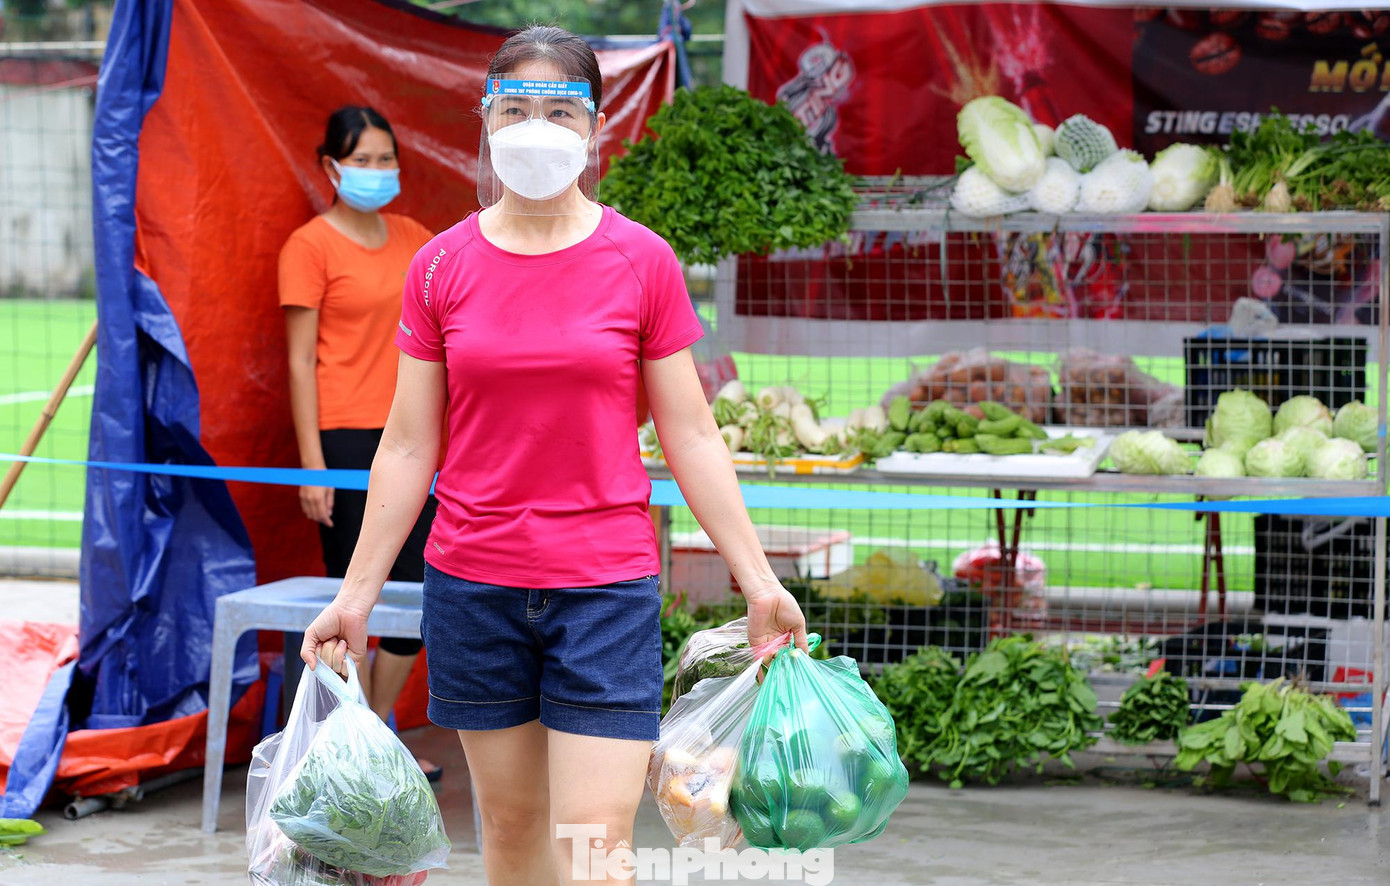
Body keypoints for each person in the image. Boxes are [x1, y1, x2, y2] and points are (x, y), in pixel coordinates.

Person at [299, 26, 808, 885]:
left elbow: (690, 433)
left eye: (560, 109)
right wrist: (357, 596)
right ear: (487, 120)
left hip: (603, 589)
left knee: (596, 842)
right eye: (517, 108)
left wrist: (759, 581)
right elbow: (410, 441)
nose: (537, 127)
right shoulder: (439, 268)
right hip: (473, 585)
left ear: (596, 129)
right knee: (510, 823)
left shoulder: (641, 261)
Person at [279, 105, 441, 781]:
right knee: (356, 595)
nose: (376, 171)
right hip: (345, 439)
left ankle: (370, 734)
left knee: (419, 590)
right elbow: (297, 362)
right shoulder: (309, 246)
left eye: (386, 159)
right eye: (362, 160)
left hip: (415, 436)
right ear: (330, 168)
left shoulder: (417, 238)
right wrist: (313, 466)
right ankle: (359, 749)